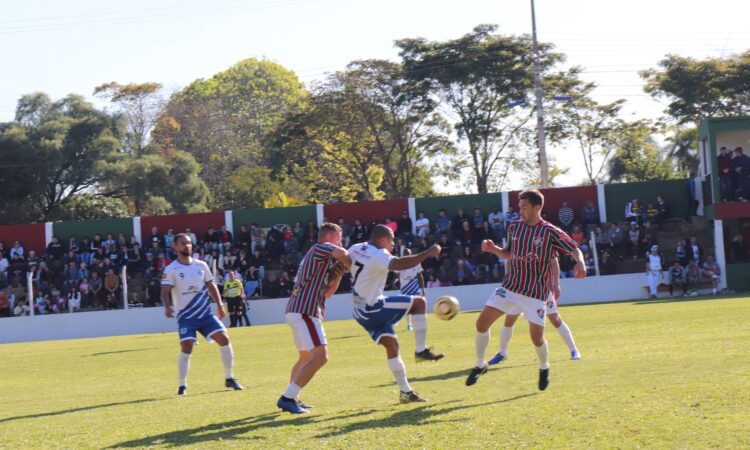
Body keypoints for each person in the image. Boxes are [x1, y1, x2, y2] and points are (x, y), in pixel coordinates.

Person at [465, 189, 586, 391]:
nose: (519, 211)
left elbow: (574, 248)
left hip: (535, 294)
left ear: (537, 207)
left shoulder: (550, 231)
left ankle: (543, 367)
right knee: (481, 323)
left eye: (524, 207)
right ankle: (480, 364)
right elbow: (509, 254)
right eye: (519, 207)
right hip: (510, 287)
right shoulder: (514, 227)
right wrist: (494, 249)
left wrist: (580, 263)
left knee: (537, 338)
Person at [348, 225, 444, 404]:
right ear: (383, 239)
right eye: (391, 240)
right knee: (419, 302)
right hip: (372, 307)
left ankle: (405, 392)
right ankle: (421, 350)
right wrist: (428, 252)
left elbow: (345, 264)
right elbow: (399, 264)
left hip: (359, 311)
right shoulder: (379, 255)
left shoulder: (356, 248)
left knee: (392, 345)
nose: (393, 244)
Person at [277, 223, 350, 414]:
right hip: (305, 310)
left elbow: (328, 294)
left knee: (306, 357)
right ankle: (287, 398)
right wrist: (353, 263)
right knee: (321, 357)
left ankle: (292, 397)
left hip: (298, 308)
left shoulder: (321, 259)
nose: (340, 241)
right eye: (339, 237)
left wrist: (340, 272)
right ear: (330, 236)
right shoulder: (320, 247)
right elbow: (342, 252)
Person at [161, 233, 244, 396]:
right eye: (183, 243)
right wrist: (167, 306)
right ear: (175, 247)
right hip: (186, 316)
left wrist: (220, 304)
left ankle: (230, 377)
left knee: (224, 338)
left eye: (189, 243)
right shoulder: (171, 269)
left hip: (205, 314)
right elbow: (165, 291)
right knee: (187, 347)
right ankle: (182, 385)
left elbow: (211, 286)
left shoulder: (201, 265)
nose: (187, 246)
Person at [488, 254, 581, 365]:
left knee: (555, 319)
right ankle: (503, 353)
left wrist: (556, 283)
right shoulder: (516, 241)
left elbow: (554, 261)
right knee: (509, 320)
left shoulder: (542, 240)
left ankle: (574, 350)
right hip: (518, 290)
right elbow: (509, 260)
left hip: (540, 289)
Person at [396, 248, 426, 332]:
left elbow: (420, 275)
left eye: (408, 254)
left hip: (414, 284)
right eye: (405, 254)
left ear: (411, 254)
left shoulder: (416, 262)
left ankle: (416, 324)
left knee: (416, 304)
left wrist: (423, 288)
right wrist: (395, 280)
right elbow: (396, 273)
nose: (407, 255)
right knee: (407, 306)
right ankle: (408, 324)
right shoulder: (400, 262)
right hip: (405, 285)